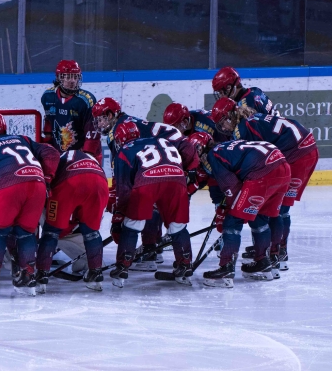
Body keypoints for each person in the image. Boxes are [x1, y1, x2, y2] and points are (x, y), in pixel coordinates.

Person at [212, 98, 319, 272]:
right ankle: (275, 251)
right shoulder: (253, 119)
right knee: (276, 208)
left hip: (296, 156)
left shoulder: (242, 129)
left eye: (223, 122)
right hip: (306, 149)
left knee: (278, 209)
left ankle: (276, 253)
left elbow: (253, 165)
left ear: (230, 116)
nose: (223, 128)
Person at [92, 97, 198, 270]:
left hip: (171, 163)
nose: (99, 123)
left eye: (101, 118)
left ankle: (150, 252)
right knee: (152, 202)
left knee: (145, 200)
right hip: (173, 164)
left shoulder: (120, 131)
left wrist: (119, 214)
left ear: (111, 115)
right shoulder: (124, 124)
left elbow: (122, 179)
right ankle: (154, 250)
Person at [192, 133, 291, 288]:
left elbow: (232, 187)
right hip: (283, 168)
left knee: (232, 221)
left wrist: (225, 212)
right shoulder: (226, 147)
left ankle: (226, 269)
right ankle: (264, 261)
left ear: (203, 150)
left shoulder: (213, 156)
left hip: (262, 172)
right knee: (260, 217)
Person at [0, 119, 59, 298]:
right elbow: (51, 152)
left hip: (9, 185)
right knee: (26, 233)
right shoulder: (22, 139)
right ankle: (28, 276)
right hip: (37, 184)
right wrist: (48, 177)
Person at [109, 122, 193, 287]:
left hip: (148, 180)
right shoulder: (161, 140)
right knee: (178, 226)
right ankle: (185, 265)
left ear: (119, 140)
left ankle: (122, 267)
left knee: (132, 224)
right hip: (177, 179)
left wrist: (118, 219)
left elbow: (123, 190)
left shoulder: (124, 150)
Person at [36, 150, 109, 292]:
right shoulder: (93, 159)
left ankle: (41, 276)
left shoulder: (58, 158)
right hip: (99, 183)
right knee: (92, 233)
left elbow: (47, 186)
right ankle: (95, 275)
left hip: (68, 183)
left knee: (51, 232)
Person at [40, 60, 101, 161]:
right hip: (60, 154)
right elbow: (49, 123)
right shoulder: (48, 97)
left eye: (75, 77)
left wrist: (87, 157)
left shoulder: (86, 101)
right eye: (68, 77)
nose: (72, 81)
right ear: (59, 78)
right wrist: (48, 148)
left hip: (84, 154)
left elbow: (93, 132)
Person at [212, 66, 276, 116]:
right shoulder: (255, 90)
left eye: (221, 92)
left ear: (229, 88)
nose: (221, 96)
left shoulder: (245, 105)